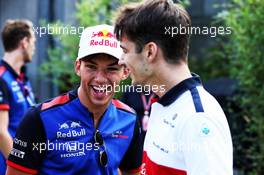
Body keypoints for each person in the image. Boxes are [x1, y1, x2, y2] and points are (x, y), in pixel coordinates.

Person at [114, 0, 233, 175]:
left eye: (125, 50)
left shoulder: (198, 119)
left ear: (150, 52)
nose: (121, 60)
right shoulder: (163, 102)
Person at [6, 24, 142, 175]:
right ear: (78, 67)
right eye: (91, 67)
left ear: (126, 71)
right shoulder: (39, 118)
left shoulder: (129, 119)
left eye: (111, 69)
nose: (100, 79)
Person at [0, 19, 36, 175]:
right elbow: (1, 132)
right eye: (33, 41)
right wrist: (21, 169)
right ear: (25, 42)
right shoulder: (2, 78)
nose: (34, 48)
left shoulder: (23, 80)